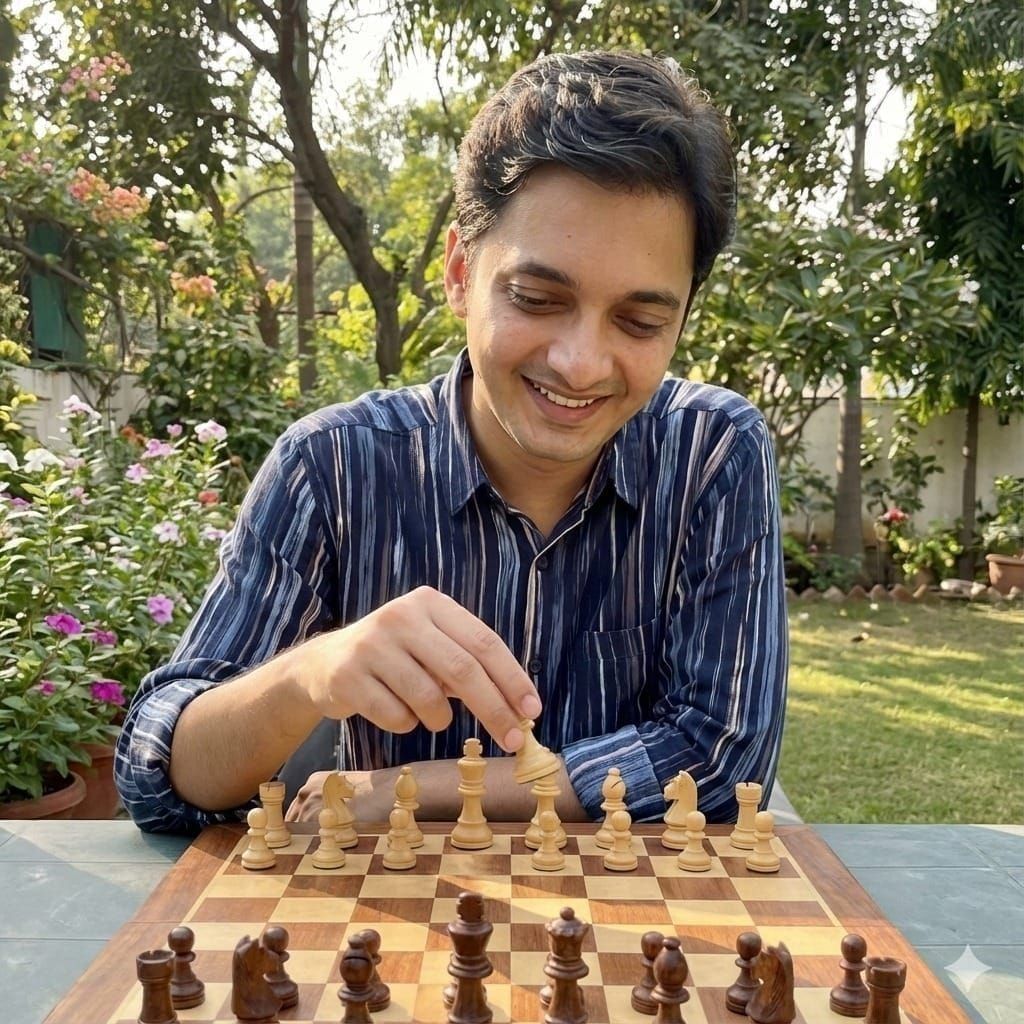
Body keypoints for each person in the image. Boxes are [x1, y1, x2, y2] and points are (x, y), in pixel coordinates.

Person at [115, 49, 788, 836]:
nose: (580, 363)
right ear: (461, 273)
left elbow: (722, 754)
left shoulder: (714, 454)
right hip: (395, 913)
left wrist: (420, 787)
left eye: (639, 322)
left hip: (638, 914)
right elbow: (161, 777)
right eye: (536, 298)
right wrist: (309, 675)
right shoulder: (332, 468)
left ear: (682, 316)